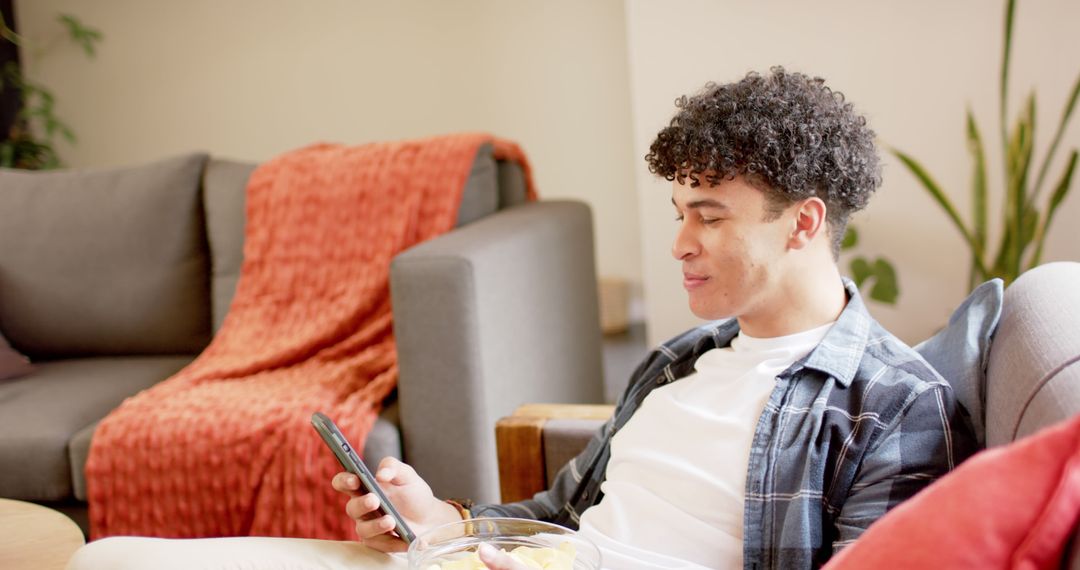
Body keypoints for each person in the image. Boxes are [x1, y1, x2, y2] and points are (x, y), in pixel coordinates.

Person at [67, 67, 976, 570]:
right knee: (109, 561)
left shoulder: (892, 404)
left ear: (804, 222)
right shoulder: (683, 360)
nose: (681, 244)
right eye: (678, 214)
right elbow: (555, 516)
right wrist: (442, 521)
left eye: (711, 216)